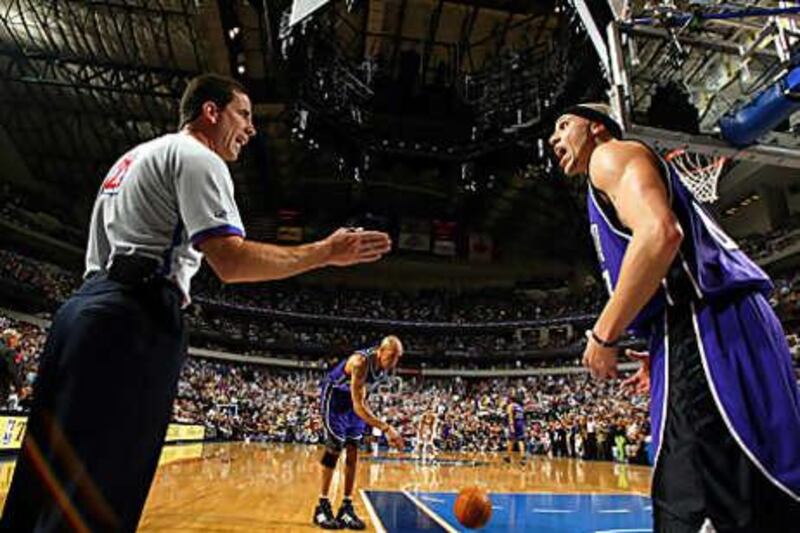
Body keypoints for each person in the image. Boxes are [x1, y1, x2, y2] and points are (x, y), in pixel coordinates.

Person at [1, 73, 392, 532]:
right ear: (211, 111)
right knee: (101, 482)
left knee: (46, 480)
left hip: (81, 310)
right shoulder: (199, 157)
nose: (250, 128)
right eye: (243, 114)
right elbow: (230, 260)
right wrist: (324, 252)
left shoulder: (131, 158)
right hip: (132, 316)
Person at [549, 103, 800, 531]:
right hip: (720, 324)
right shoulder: (613, 177)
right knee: (760, 483)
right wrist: (655, 341)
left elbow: (659, 233)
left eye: (564, 125)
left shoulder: (609, 155)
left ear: (595, 127)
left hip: (706, 325)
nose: (555, 138)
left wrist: (604, 334)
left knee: (696, 495)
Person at [314, 335, 405, 530]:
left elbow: (362, 398)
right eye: (391, 356)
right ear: (380, 351)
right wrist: (386, 428)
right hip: (335, 399)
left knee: (354, 451)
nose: (393, 361)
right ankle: (322, 505)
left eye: (397, 357)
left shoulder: (384, 367)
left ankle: (346, 507)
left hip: (354, 403)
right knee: (334, 449)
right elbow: (358, 404)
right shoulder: (360, 362)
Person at [503, 392, 526, 464]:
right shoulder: (520, 406)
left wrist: (511, 425)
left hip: (515, 423)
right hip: (521, 423)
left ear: (510, 400)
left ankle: (508, 456)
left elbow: (510, 416)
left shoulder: (511, 406)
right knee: (520, 440)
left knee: (511, 439)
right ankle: (522, 457)